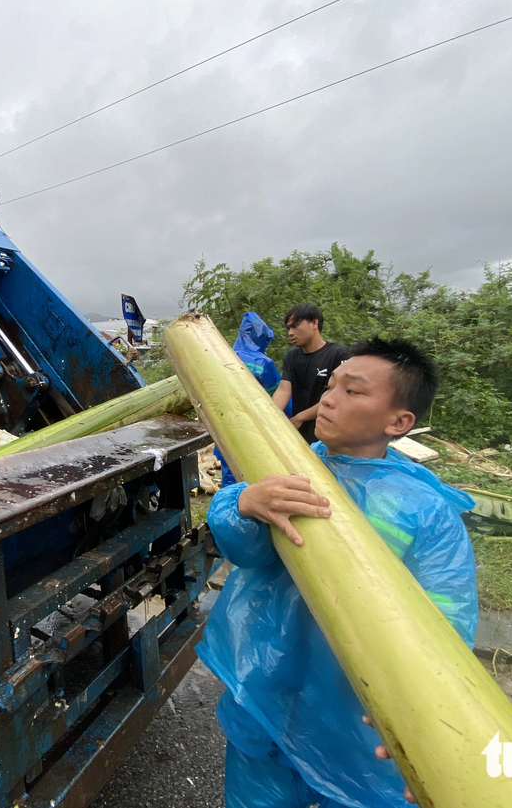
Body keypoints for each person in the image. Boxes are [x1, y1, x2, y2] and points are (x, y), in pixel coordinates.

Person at [199, 337, 478, 808]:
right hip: (269, 694)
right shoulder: (289, 469)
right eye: (332, 386)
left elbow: (448, 623)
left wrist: (422, 715)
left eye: (354, 391)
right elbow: (247, 552)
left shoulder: (426, 512)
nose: (328, 397)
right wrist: (244, 502)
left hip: (355, 724)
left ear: (399, 421)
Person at [215, 312, 281, 487]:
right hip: (256, 427)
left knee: (230, 477)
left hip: (226, 424)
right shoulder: (264, 363)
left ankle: (230, 508)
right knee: (253, 475)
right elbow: (279, 398)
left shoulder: (223, 357)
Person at [273, 303, 350, 444]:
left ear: (314, 323)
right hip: (300, 434)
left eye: (295, 326)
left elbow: (337, 397)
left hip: (327, 437)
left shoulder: (338, 354)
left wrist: (300, 417)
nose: (290, 333)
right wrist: (269, 415)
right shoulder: (292, 356)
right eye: (288, 328)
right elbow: (284, 389)